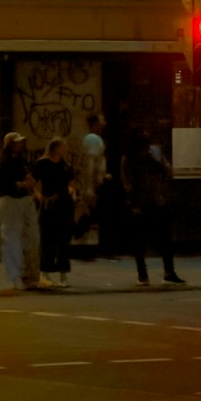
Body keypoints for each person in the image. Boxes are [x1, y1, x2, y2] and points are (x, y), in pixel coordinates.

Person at [120, 130, 184, 286]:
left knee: (165, 239)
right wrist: (133, 204)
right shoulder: (129, 160)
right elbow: (127, 183)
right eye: (144, 147)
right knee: (140, 242)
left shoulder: (152, 157)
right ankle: (143, 274)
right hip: (141, 204)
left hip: (157, 201)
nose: (147, 150)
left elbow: (168, 171)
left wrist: (155, 161)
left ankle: (168, 272)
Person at [0, 132, 40, 291]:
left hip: (24, 200)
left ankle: (29, 275)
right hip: (11, 201)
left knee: (31, 238)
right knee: (12, 239)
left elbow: (29, 179)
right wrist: (21, 185)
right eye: (17, 142)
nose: (21, 145)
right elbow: (3, 184)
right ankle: (14, 276)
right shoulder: (5, 163)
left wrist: (27, 184)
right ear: (10, 145)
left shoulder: (21, 160)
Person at [32, 137, 75, 287]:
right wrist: (40, 197)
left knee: (64, 239)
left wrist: (70, 194)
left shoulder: (66, 166)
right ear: (55, 148)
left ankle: (63, 273)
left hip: (64, 203)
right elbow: (34, 183)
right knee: (48, 239)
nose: (65, 149)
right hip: (49, 203)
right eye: (63, 146)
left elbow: (71, 184)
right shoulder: (42, 164)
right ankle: (46, 271)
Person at [76, 113, 108, 254]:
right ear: (95, 123)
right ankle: (82, 241)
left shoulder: (93, 139)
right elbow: (90, 162)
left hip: (93, 184)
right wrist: (89, 187)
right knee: (87, 213)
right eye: (102, 120)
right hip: (91, 185)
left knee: (88, 213)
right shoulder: (93, 139)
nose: (104, 123)